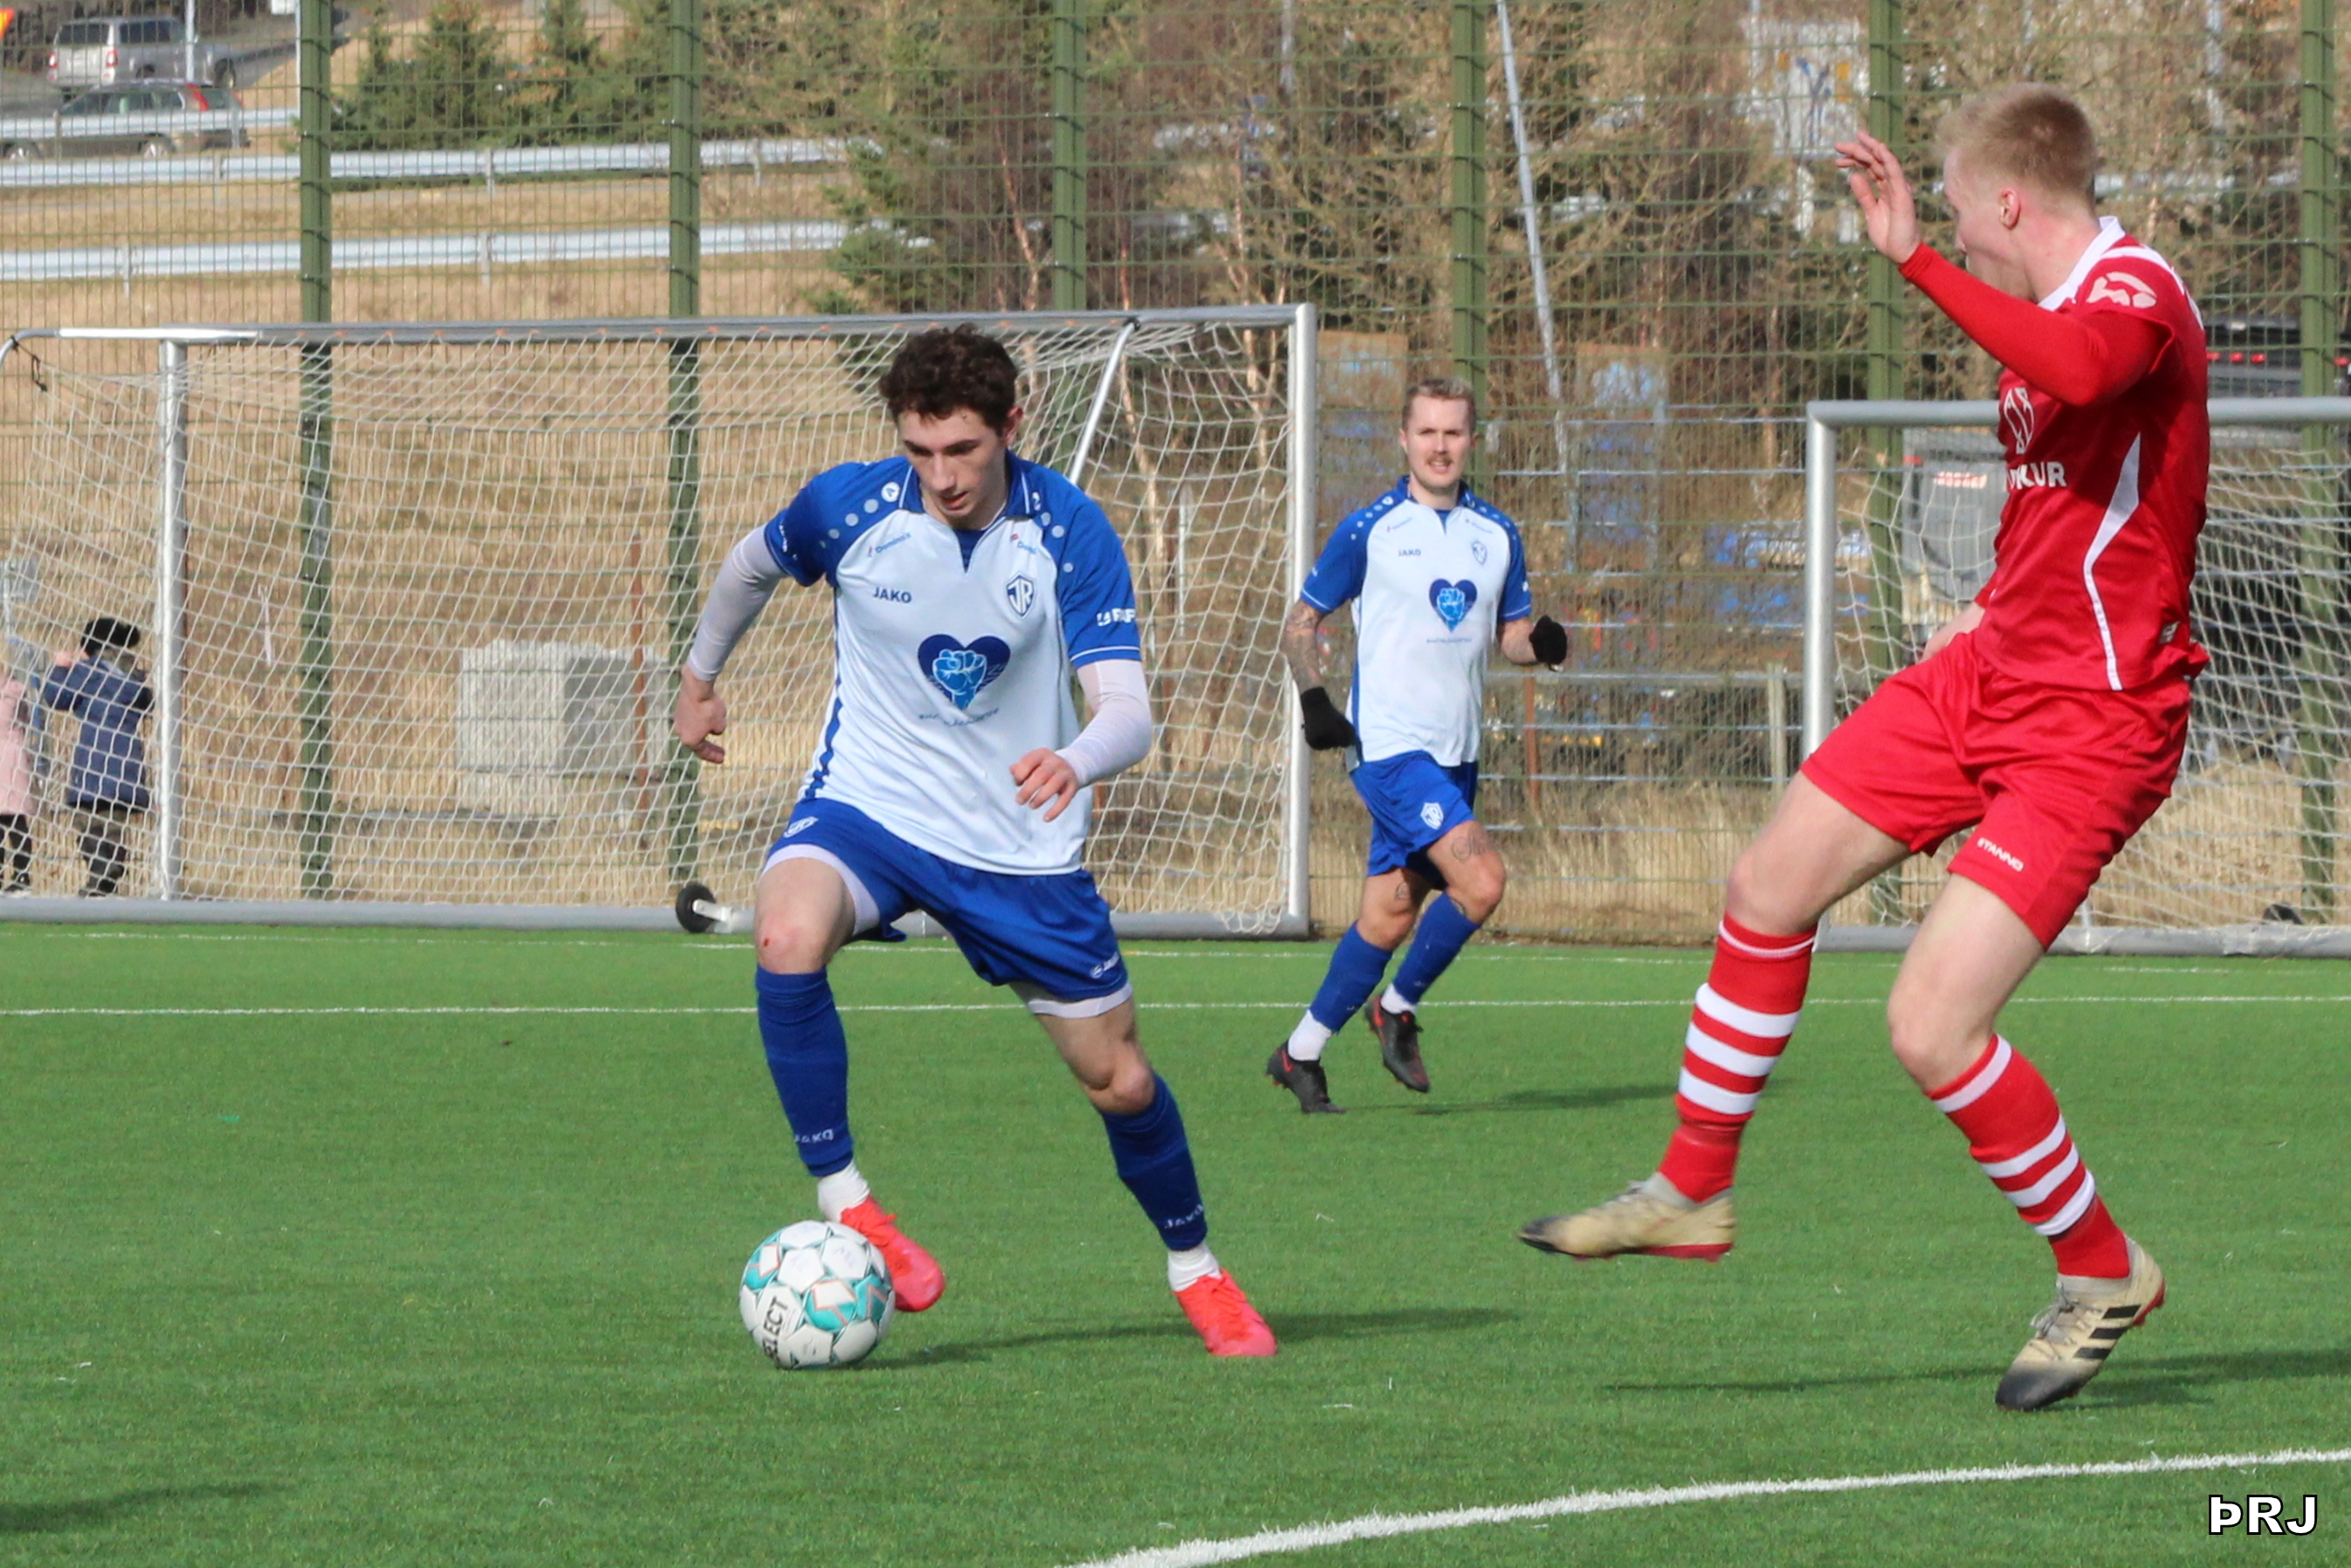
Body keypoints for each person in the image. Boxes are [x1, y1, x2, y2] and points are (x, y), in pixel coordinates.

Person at [1519, 86, 2205, 1413]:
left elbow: (2083, 373)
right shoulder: (2044, 305)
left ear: (2007, 200)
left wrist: (1916, 260)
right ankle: (1692, 1187)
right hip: (1987, 673)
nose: (1944, 220)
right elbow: (2065, 505)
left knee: (1930, 1024)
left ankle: (2101, 1268)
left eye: (1952, 202)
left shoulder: (2138, 291)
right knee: (1766, 882)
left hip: (2094, 722)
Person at [673, 325, 1277, 1358]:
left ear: (1011, 426)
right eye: (920, 450)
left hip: (1017, 847)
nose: (941, 476)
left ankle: (1197, 1268)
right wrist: (698, 678)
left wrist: (1076, 758)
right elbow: (748, 566)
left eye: (962, 449)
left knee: (1120, 1081)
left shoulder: (1068, 528)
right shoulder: (848, 507)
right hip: (871, 807)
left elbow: (1127, 710)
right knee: (783, 934)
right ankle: (849, 1200)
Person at [1266, 378, 1567, 1112]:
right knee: (1482, 881)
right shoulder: (1368, 530)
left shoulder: (1497, 533)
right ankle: (1395, 1010)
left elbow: (1510, 636)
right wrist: (1314, 702)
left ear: (1471, 441)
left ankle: (1298, 1054)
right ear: (1403, 439)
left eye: (1453, 433)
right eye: (1426, 432)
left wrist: (1542, 645)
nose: (1439, 446)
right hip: (1390, 750)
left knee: (1389, 916)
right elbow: (1299, 623)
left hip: (1457, 753)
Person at [38, 616, 153, 897]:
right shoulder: (133, 678)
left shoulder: (89, 674)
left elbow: (56, 697)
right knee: (113, 822)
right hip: (128, 762)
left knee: (86, 820)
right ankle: (107, 876)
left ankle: (101, 872)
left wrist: (60, 667)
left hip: (94, 761)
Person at [1, 664, 33, 894]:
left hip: (9, 760)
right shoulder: (16, 690)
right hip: (13, 757)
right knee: (16, 821)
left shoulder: (12, 692)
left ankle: (21, 877)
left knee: (14, 821)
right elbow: (25, 718)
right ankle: (22, 876)